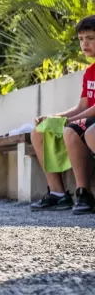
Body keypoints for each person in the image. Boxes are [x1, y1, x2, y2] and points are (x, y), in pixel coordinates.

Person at [31, 15, 95, 214]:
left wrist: (70, 121)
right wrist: (56, 118)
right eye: (81, 39)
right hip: (87, 118)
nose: (84, 44)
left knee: (70, 130)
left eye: (90, 38)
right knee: (40, 130)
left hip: (90, 122)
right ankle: (57, 193)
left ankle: (83, 193)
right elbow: (82, 105)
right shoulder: (90, 72)